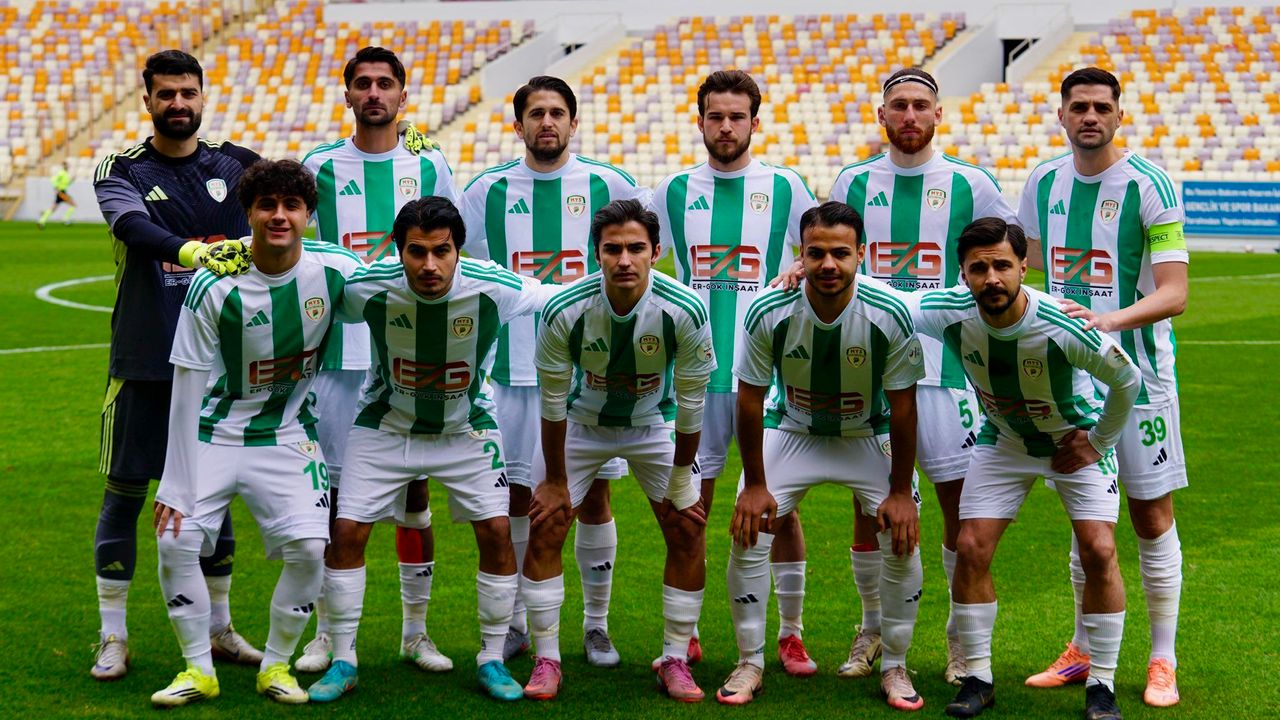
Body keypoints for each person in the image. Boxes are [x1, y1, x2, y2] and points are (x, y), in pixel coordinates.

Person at [306, 196, 555, 703]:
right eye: (416, 252)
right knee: (347, 531)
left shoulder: (493, 287)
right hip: (385, 427)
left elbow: (557, 296)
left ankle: (490, 657)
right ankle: (344, 659)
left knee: (497, 531)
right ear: (398, 251)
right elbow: (311, 287)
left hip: (466, 429)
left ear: (458, 250)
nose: (429, 265)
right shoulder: (369, 287)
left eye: (441, 251)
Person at [827, 67, 1017, 684]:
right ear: (882, 115)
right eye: (898, 105)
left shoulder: (972, 184)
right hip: (870, 369)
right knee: (870, 504)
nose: (909, 115)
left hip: (950, 372)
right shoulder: (854, 181)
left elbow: (1008, 260)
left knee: (958, 505)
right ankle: (872, 629)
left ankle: (960, 640)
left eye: (920, 105)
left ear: (938, 115)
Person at [150, 158, 362, 706]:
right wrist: (175, 480)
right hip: (214, 433)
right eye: (267, 205)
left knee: (310, 549)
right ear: (248, 214)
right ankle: (198, 669)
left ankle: (276, 666)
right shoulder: (214, 282)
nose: (279, 216)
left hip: (288, 434)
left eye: (292, 206)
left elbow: (394, 291)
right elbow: (187, 383)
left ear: (309, 216)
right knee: (174, 540)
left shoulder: (336, 270)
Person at [911, 218, 1139, 720]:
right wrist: (803, 271)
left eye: (1002, 265)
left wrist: (1098, 441)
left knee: (1099, 550)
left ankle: (1101, 685)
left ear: (1022, 267)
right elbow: (881, 297)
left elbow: (1128, 379)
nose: (991, 278)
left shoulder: (1060, 323)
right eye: (979, 268)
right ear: (963, 274)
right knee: (971, 547)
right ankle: (978, 679)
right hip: (1005, 441)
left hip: (1072, 440)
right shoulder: (948, 311)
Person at [461, 75, 650, 665]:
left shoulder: (609, 184)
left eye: (557, 113)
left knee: (593, 497)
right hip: (512, 372)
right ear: (518, 125)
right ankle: (518, 622)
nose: (547, 122)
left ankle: (596, 626)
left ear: (573, 121)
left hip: (592, 374)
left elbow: (637, 265)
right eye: (536, 113)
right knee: (521, 496)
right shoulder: (486, 191)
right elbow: (469, 273)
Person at [1019, 67, 1189, 708]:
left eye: (1100, 106)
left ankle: (1163, 659)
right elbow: (1025, 268)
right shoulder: (1042, 182)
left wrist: (1107, 321)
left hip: (1140, 379)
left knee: (1150, 515)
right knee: (1086, 519)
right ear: (1061, 115)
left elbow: (1175, 293)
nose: (1089, 116)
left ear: (1119, 115)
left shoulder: (1149, 184)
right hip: (1070, 383)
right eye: (1078, 106)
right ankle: (1083, 648)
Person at [90, 49, 260, 681]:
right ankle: (113, 635)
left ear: (202, 96)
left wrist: (399, 137)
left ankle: (219, 628)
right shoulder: (122, 168)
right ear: (148, 101)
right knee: (125, 494)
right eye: (166, 94)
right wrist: (194, 252)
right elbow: (130, 226)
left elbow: (298, 198)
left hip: (219, 366)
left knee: (214, 498)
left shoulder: (237, 164)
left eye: (188, 92)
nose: (178, 104)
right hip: (145, 358)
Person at [720, 201, 925, 710]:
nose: (828, 264)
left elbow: (904, 407)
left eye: (840, 253)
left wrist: (901, 491)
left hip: (868, 432)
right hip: (794, 428)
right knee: (749, 528)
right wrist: (755, 484)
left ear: (862, 254)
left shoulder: (889, 312)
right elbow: (749, 400)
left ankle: (895, 665)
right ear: (801, 255)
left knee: (901, 537)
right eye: (816, 254)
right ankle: (750, 661)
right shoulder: (769, 310)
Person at [297, 44, 460, 676]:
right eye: (362, 83)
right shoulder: (317, 166)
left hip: (409, 353)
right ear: (347, 95)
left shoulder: (428, 163)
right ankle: (325, 633)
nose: (373, 93)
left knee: (415, 491)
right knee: (335, 499)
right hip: (337, 358)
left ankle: (416, 633)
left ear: (402, 95)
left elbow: (450, 249)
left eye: (384, 83)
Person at [649, 69, 818, 672]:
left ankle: (790, 633)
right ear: (699, 122)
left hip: (767, 377)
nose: (725, 127)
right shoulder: (672, 191)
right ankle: (687, 631)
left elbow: (823, 251)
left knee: (779, 508)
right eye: (715, 117)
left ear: (754, 122)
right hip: (693, 377)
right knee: (689, 509)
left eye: (736, 117)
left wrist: (800, 267)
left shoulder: (786, 187)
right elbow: (643, 260)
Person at [520, 199, 715, 701]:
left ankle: (674, 658)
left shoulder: (685, 308)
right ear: (597, 254)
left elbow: (693, 403)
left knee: (687, 526)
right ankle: (547, 658)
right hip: (582, 423)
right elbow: (552, 401)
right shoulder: (565, 309)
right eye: (612, 249)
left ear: (656, 251)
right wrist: (556, 481)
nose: (624, 259)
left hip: (654, 422)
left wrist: (680, 478)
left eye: (635, 248)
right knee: (545, 523)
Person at [38, 161, 76, 228]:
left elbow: (65, 184)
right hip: (61, 192)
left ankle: (42, 220)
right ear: (64, 166)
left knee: (53, 208)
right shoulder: (61, 173)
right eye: (67, 165)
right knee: (73, 205)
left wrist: (71, 180)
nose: (68, 166)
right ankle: (65, 219)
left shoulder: (65, 174)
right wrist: (56, 189)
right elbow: (54, 180)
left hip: (62, 192)